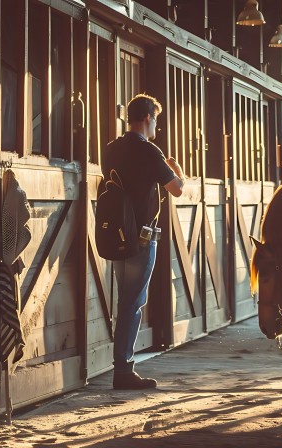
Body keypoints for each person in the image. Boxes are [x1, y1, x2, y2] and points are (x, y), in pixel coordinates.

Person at [101, 94, 185, 390]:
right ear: (148, 118)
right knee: (132, 303)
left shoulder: (111, 149)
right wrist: (177, 170)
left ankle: (122, 366)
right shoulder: (151, 152)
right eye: (156, 121)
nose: (156, 127)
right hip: (141, 238)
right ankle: (123, 370)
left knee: (125, 299)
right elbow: (176, 190)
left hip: (115, 235)